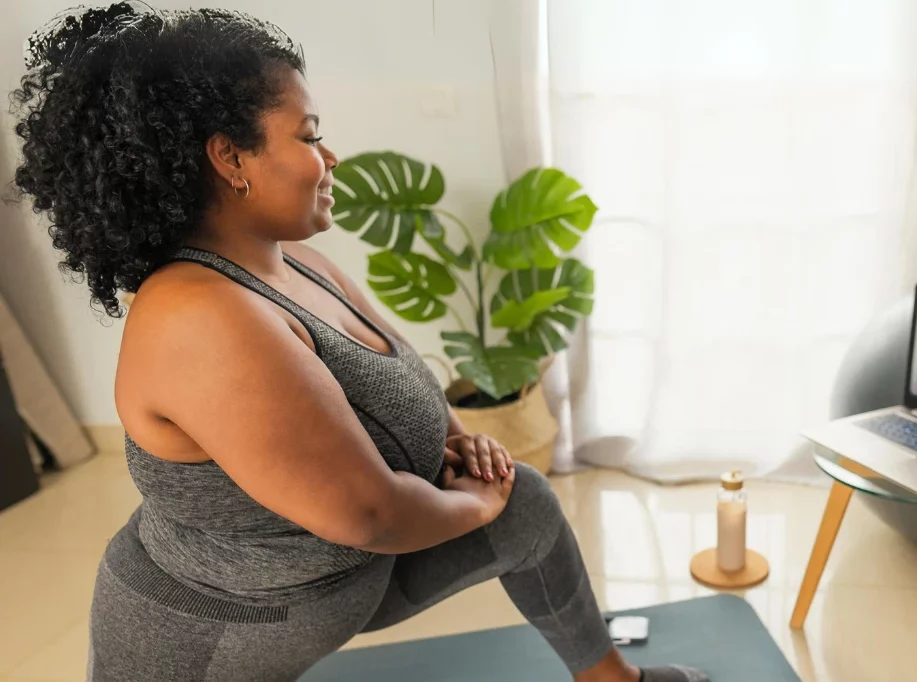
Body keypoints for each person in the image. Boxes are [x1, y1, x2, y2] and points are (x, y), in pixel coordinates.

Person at [11, 5, 708, 682]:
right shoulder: (196, 317)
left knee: (527, 504)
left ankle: (610, 678)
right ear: (230, 158)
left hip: (342, 585)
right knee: (506, 503)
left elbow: (402, 385)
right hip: (212, 639)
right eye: (309, 136)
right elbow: (369, 515)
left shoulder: (294, 263)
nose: (331, 157)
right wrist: (477, 504)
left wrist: (466, 449)